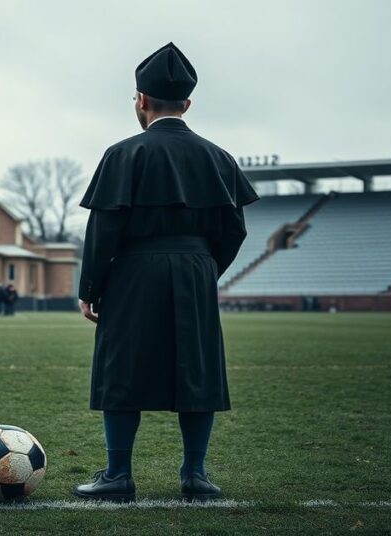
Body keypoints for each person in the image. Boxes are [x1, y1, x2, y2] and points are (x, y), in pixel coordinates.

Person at [72, 42, 258, 503]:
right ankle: (195, 476)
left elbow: (104, 228)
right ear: (187, 104)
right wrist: (203, 268)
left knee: (121, 370)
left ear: (141, 100)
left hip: (132, 273)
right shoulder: (219, 158)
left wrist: (91, 288)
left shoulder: (123, 154)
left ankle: (118, 476)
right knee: (198, 369)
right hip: (196, 269)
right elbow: (234, 231)